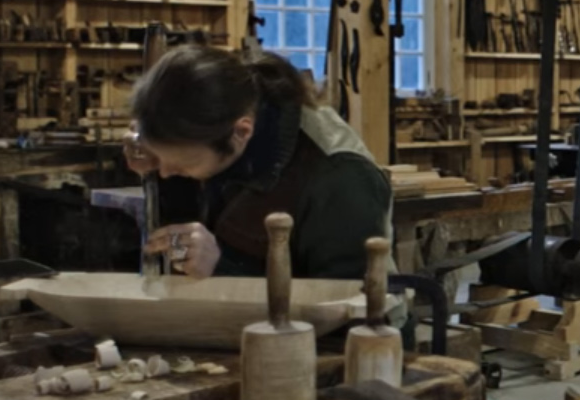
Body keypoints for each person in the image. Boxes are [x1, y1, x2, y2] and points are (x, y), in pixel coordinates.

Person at [123, 46, 391, 280]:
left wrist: (222, 268)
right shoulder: (220, 122)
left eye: (182, 165)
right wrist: (153, 153)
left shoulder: (338, 177)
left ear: (241, 132)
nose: (167, 172)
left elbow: (345, 304)